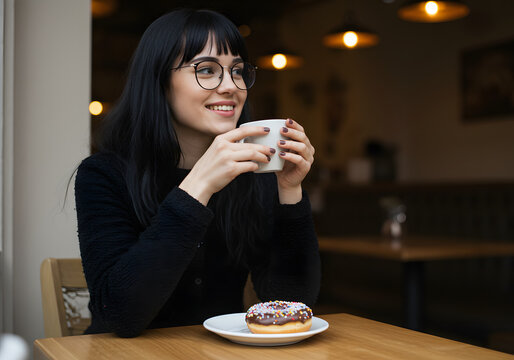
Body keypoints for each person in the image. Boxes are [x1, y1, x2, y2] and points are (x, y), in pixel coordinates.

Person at [75, 8, 320, 338]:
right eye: (206, 70)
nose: (230, 86)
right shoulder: (103, 175)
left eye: (237, 71)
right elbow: (120, 316)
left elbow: (294, 304)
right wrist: (199, 185)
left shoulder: (251, 174)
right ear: (160, 81)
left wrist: (290, 191)